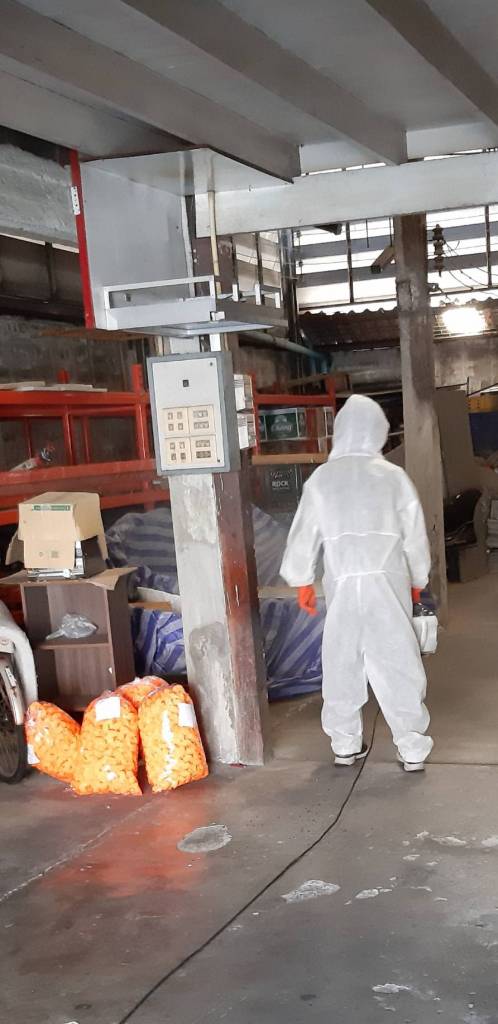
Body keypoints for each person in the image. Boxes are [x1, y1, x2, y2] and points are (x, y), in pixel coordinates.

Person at [280, 394, 433, 772]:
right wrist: (418, 580)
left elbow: (304, 534)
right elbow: (414, 537)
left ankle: (345, 745)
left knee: (341, 661)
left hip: (343, 584)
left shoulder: (322, 479)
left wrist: (302, 581)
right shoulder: (394, 478)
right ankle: (412, 748)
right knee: (398, 661)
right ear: (379, 431)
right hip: (388, 584)